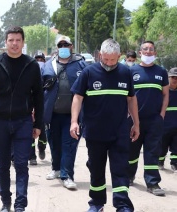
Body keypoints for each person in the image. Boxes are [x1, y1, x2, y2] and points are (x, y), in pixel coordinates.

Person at [0, 26, 43, 212]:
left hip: (23, 121)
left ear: (23, 42)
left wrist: (39, 124)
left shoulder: (31, 65)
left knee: (21, 165)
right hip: (0, 121)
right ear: (5, 42)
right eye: (11, 40)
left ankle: (20, 205)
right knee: (3, 165)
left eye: (18, 40)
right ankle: (6, 202)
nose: (14, 44)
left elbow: (38, 96)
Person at [70, 38, 139, 212]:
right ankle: (96, 204)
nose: (109, 63)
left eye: (113, 60)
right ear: (100, 55)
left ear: (119, 56)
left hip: (119, 132)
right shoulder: (89, 72)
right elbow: (77, 97)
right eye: (105, 59)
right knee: (96, 169)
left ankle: (122, 205)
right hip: (95, 132)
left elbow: (131, 99)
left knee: (120, 170)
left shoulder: (125, 72)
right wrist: (73, 121)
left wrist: (136, 123)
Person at [41, 35, 86, 189]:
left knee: (68, 145)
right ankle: (56, 168)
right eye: (60, 45)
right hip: (52, 114)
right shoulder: (48, 66)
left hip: (72, 116)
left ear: (71, 46)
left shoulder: (81, 65)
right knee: (54, 143)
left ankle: (67, 175)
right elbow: (40, 89)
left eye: (66, 44)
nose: (63, 47)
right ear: (57, 47)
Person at [128, 41, 168, 196]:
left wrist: (162, 115)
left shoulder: (161, 72)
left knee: (152, 152)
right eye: (145, 49)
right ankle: (129, 176)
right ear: (140, 52)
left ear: (155, 53)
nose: (149, 52)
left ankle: (153, 183)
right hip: (133, 120)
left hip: (154, 120)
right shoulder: (131, 71)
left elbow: (165, 95)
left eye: (151, 49)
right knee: (132, 150)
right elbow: (127, 96)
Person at [29, 52, 48, 165]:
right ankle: (32, 157)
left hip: (42, 108)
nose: (39, 61)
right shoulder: (30, 74)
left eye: (41, 59)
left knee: (43, 133)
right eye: (37, 59)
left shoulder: (47, 74)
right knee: (30, 133)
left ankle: (41, 146)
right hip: (31, 108)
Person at [159, 67, 177, 172]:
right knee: (162, 146)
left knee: (176, 147)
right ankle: (160, 161)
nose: (175, 80)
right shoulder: (163, 93)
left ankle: (174, 163)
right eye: (173, 77)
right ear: (168, 78)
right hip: (164, 126)